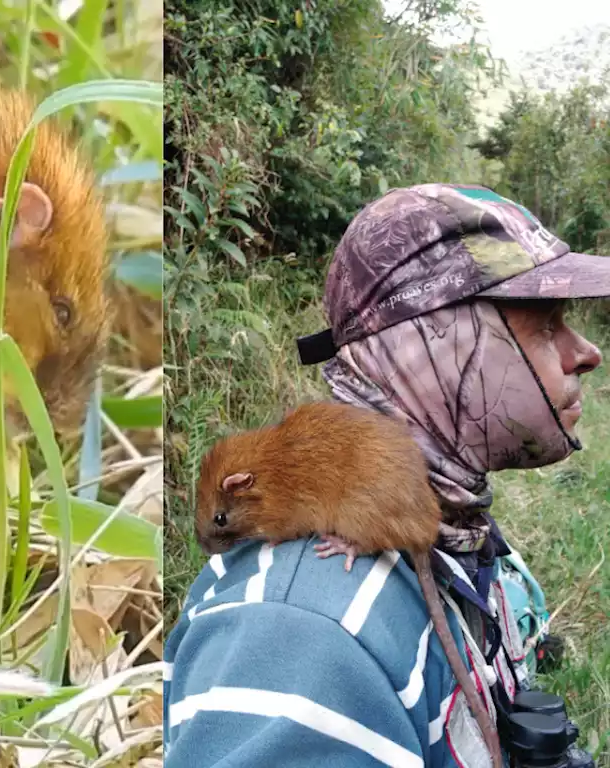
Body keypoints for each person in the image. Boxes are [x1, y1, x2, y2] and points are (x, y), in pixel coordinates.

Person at [165, 183, 609, 767]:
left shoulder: (462, 531)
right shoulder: (304, 636)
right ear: (436, 344)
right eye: (546, 325)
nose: (587, 352)